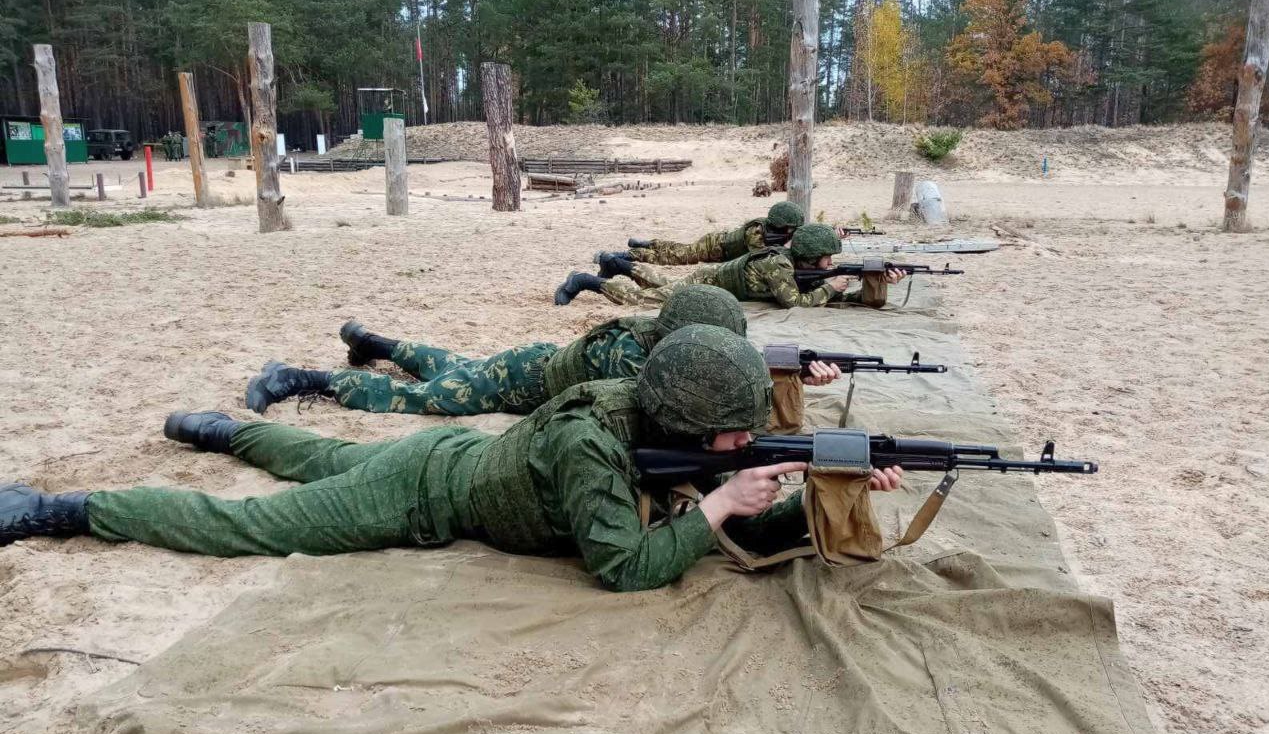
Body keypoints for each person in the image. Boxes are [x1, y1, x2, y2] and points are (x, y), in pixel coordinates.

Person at [0, 328, 902, 593]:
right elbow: (625, 568)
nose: (749, 446)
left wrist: (828, 498)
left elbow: (740, 519)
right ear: (694, 425)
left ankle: (222, 431)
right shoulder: (596, 442)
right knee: (253, 527)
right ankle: (61, 509)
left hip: (456, 453)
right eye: (737, 438)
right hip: (419, 493)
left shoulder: (655, 422)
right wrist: (715, 506)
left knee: (316, 457)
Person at [242, 284, 833, 415]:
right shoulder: (628, 361)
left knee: (452, 366)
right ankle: (297, 377)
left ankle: (372, 341)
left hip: (533, 362)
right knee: (421, 398)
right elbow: (681, 410)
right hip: (520, 383)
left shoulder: (651, 339)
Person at [556, 223, 906, 310]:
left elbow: (836, 298)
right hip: (707, 285)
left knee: (660, 284)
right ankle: (588, 281)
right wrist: (832, 286)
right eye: (827, 260)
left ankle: (618, 263)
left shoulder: (795, 265)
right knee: (648, 301)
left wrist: (877, 283)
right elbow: (797, 303)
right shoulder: (776, 266)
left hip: (712, 280)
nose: (832, 265)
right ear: (810, 256)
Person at [612, 201, 805, 266]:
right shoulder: (757, 232)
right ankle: (630, 255)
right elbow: (761, 257)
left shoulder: (768, 227)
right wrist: (787, 246)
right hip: (714, 247)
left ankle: (647, 243)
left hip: (716, 244)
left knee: (681, 249)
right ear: (782, 224)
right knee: (675, 258)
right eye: (791, 228)